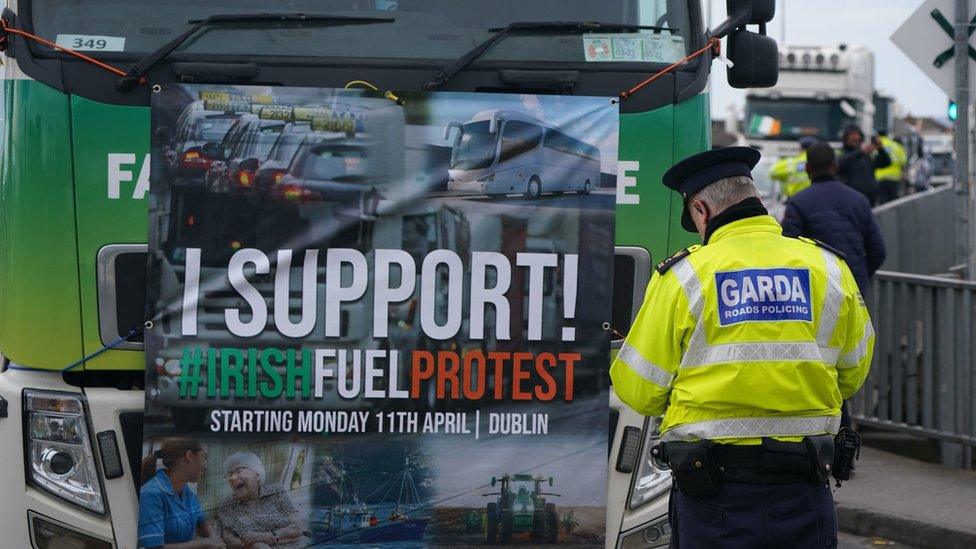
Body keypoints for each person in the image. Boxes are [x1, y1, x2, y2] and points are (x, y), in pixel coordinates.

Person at [610, 147, 874, 548]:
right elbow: (853, 371)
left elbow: (638, 390)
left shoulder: (683, 277)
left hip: (713, 498)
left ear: (702, 210)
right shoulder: (828, 268)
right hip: (804, 490)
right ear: (755, 200)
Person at [782, 142, 887, 295]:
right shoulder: (859, 200)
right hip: (853, 286)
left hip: (816, 289)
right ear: (835, 166)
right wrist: (860, 276)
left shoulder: (798, 202)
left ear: (807, 168)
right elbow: (878, 251)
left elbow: (789, 251)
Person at [139, 439, 225, 549]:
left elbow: (201, 519)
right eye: (204, 457)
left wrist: (213, 535)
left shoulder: (185, 490)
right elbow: (153, 547)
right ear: (189, 456)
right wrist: (206, 544)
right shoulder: (151, 494)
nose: (205, 466)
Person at [216, 452, 307, 549]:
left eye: (238, 471)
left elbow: (297, 527)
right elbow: (228, 539)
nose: (233, 478)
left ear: (257, 475)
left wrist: (265, 536)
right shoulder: (227, 506)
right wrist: (253, 546)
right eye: (229, 475)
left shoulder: (276, 492)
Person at [838, 125, 891, 206]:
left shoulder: (866, 156)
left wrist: (880, 149)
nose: (856, 138)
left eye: (858, 134)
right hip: (851, 202)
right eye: (853, 135)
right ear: (846, 137)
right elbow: (841, 164)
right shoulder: (842, 154)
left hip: (870, 201)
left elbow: (886, 163)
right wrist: (861, 152)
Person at [874, 130, 908, 204]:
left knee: (882, 203)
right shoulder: (896, 146)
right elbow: (903, 161)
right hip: (894, 179)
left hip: (879, 179)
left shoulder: (876, 145)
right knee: (893, 203)